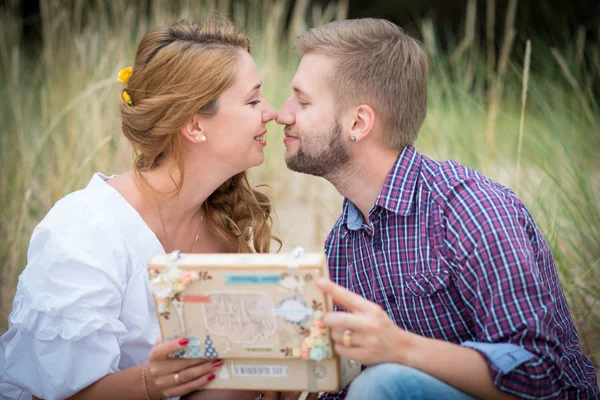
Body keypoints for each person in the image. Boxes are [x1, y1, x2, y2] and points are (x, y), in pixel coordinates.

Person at [276, 18, 600, 399]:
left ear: (359, 122)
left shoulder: (472, 210)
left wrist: (398, 349)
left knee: (383, 383)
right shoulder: (343, 245)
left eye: (303, 100)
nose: (283, 113)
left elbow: (538, 372)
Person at [0, 20, 281, 400]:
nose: (272, 112)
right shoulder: (88, 228)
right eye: (252, 101)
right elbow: (50, 394)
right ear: (195, 125)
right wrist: (154, 381)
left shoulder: (223, 219)